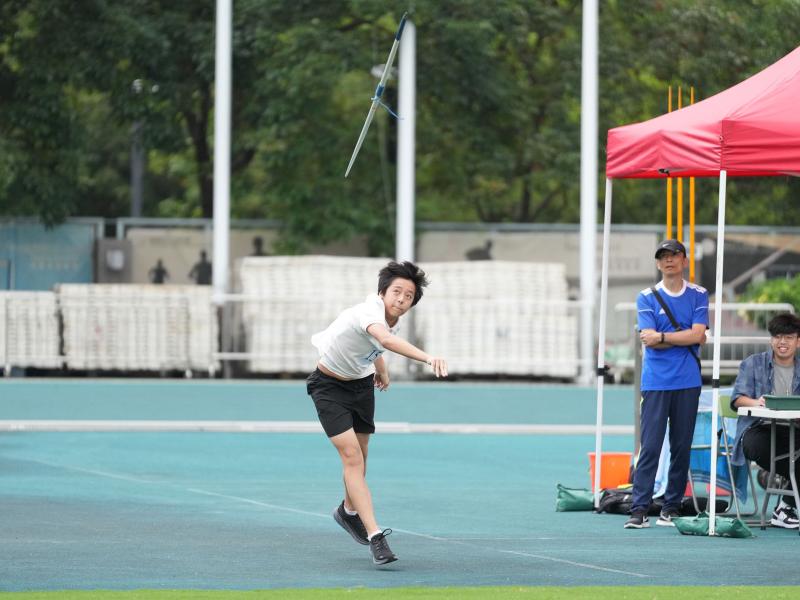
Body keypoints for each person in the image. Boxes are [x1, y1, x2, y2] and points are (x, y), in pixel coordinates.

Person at [305, 261, 448, 566]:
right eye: (396, 291)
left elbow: (376, 345)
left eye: (408, 296)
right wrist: (428, 357)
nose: (401, 299)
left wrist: (380, 368)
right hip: (328, 387)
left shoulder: (389, 318)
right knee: (352, 458)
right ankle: (375, 536)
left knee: (361, 457)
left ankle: (347, 510)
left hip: (361, 387)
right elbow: (383, 339)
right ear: (382, 292)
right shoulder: (369, 311)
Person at [625, 239, 708, 529]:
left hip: (687, 381)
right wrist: (679, 336)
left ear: (684, 260)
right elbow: (649, 338)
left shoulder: (698, 294)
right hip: (656, 382)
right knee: (650, 446)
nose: (669, 260)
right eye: (663, 256)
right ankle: (639, 509)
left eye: (674, 255)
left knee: (681, 446)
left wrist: (662, 337)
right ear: (658, 263)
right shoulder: (646, 296)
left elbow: (697, 335)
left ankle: (671, 507)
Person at [730, 312, 800, 529]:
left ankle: (786, 506)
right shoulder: (753, 363)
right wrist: (755, 403)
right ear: (771, 340)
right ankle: (786, 505)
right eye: (778, 337)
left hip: (794, 430)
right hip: (758, 430)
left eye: (788, 337)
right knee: (790, 462)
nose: (782, 342)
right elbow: (737, 400)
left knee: (796, 462)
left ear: (798, 341)